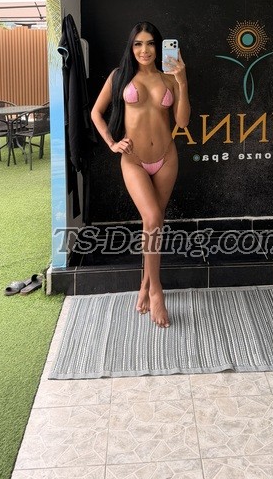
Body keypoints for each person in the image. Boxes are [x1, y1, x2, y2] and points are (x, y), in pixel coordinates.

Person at [91, 21, 190, 328]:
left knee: (154, 223)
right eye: (138, 44)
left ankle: (145, 283)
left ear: (158, 47)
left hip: (166, 158)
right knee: (153, 218)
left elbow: (182, 122)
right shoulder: (119, 76)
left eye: (150, 43)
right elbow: (96, 112)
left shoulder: (169, 77)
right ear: (131, 47)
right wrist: (112, 143)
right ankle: (157, 290)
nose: (144, 50)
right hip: (133, 160)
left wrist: (182, 81)